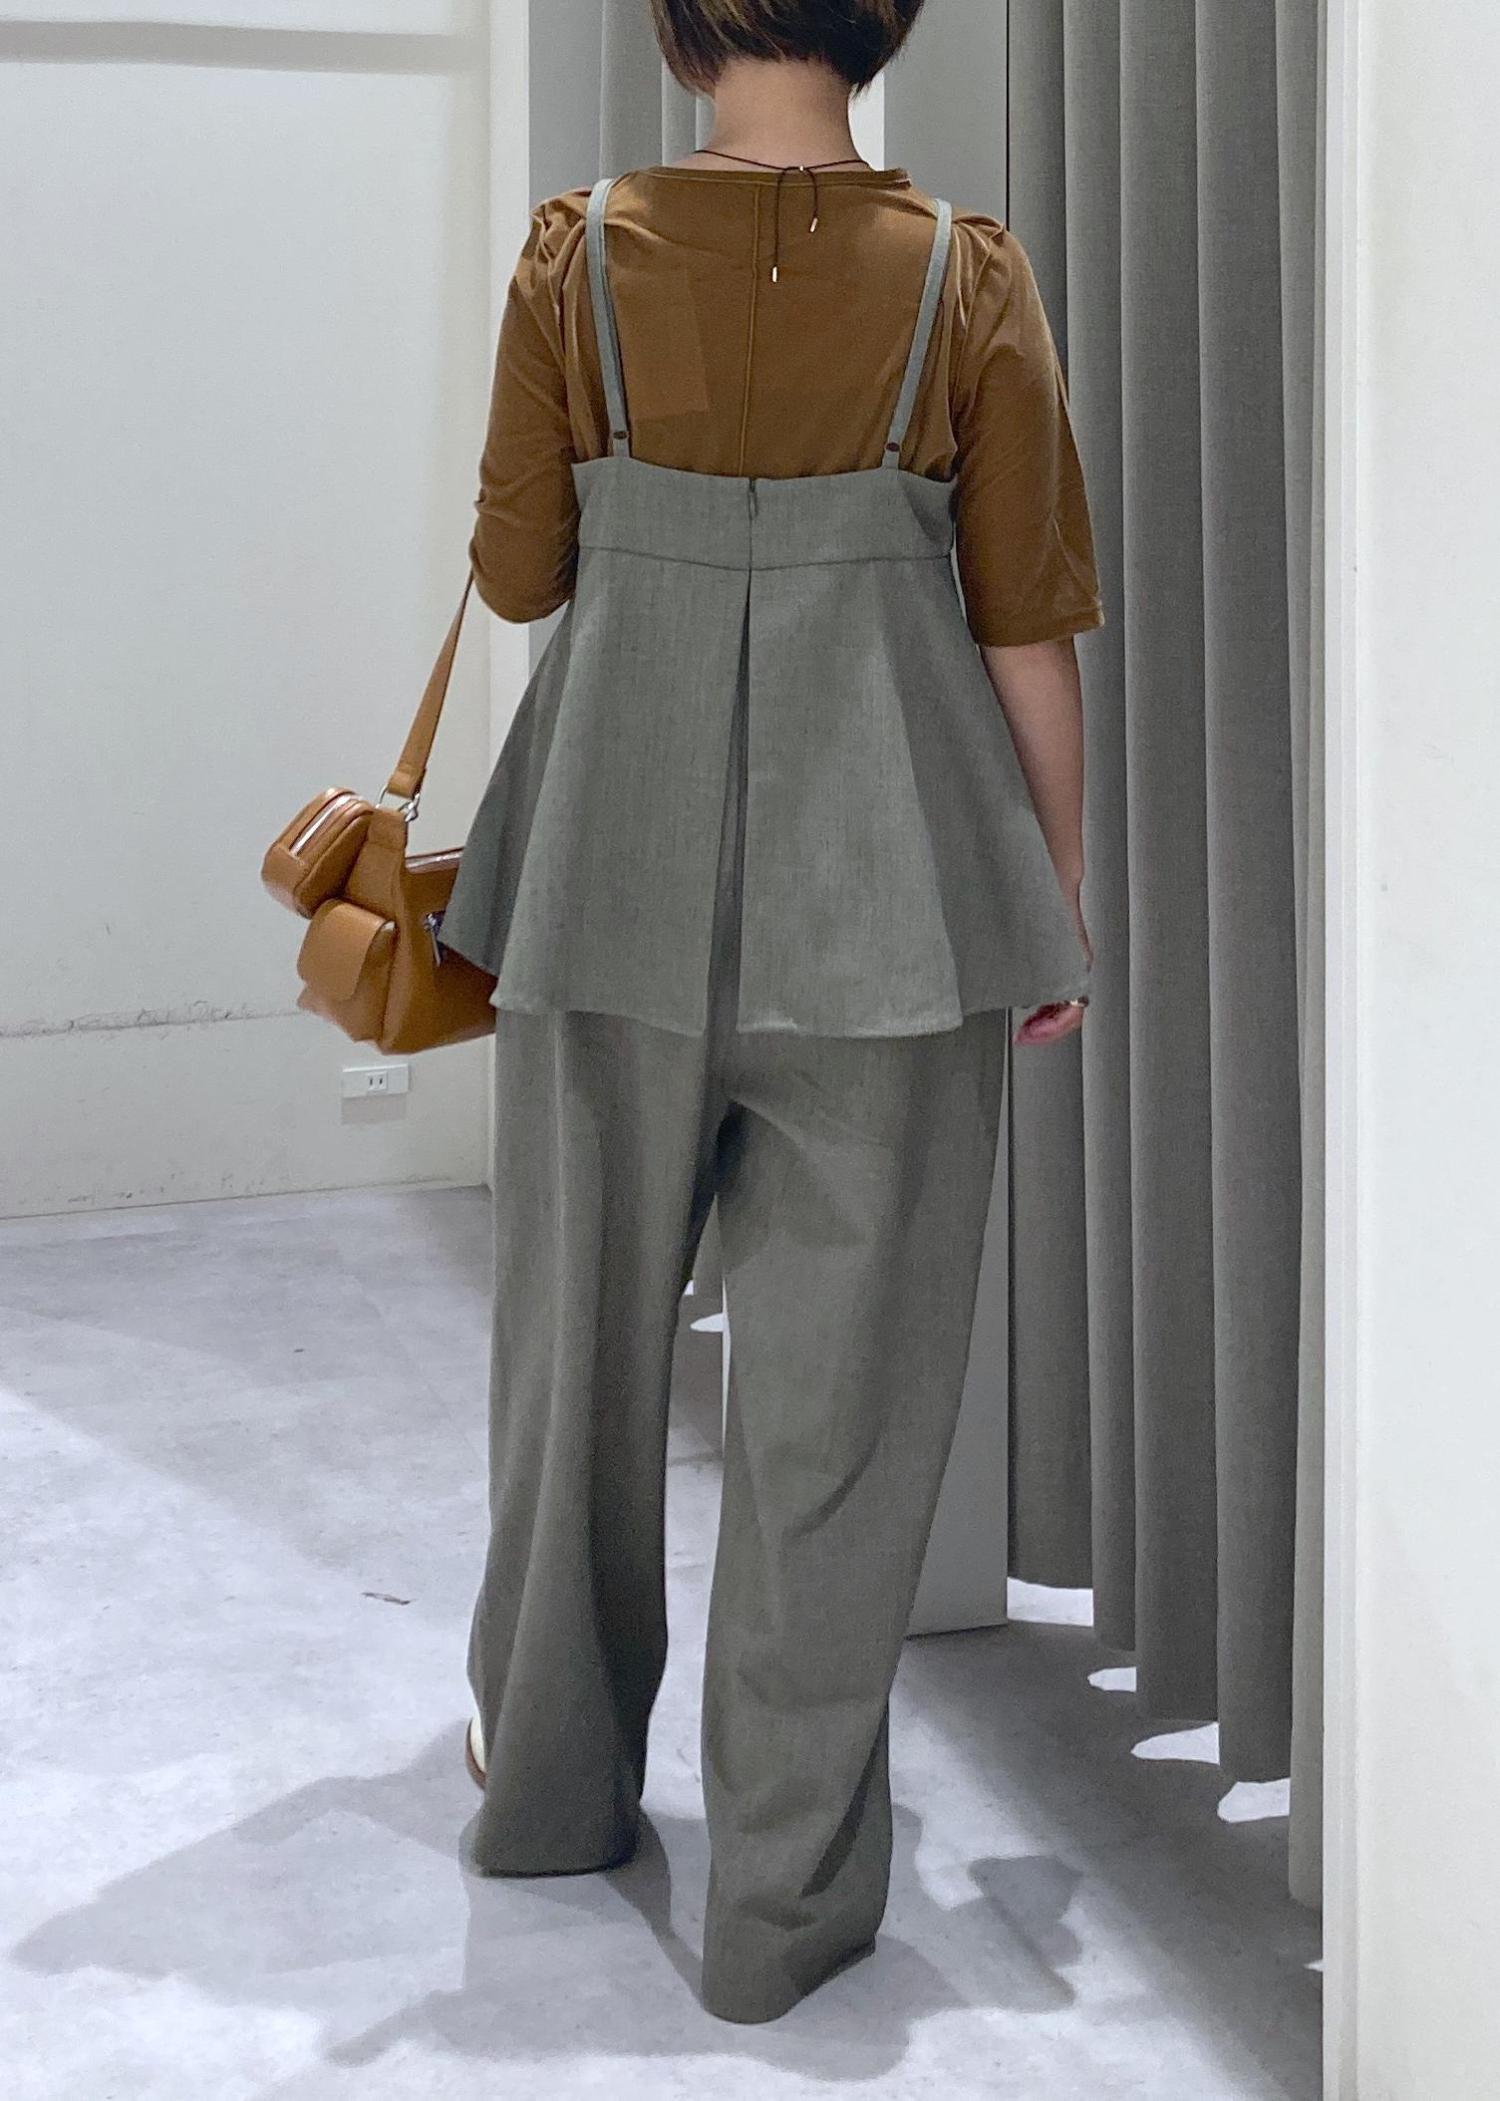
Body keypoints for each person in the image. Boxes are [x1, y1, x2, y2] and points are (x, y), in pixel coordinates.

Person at [436, 0, 1105, 2027]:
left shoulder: (577, 259)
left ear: (682, 26)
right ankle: (783, 1911)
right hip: (891, 891)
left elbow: (521, 577)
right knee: (838, 1424)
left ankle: (550, 1797)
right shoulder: (965, 279)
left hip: (607, 876)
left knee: (574, 1369)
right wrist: (1051, 905)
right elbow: (1028, 626)